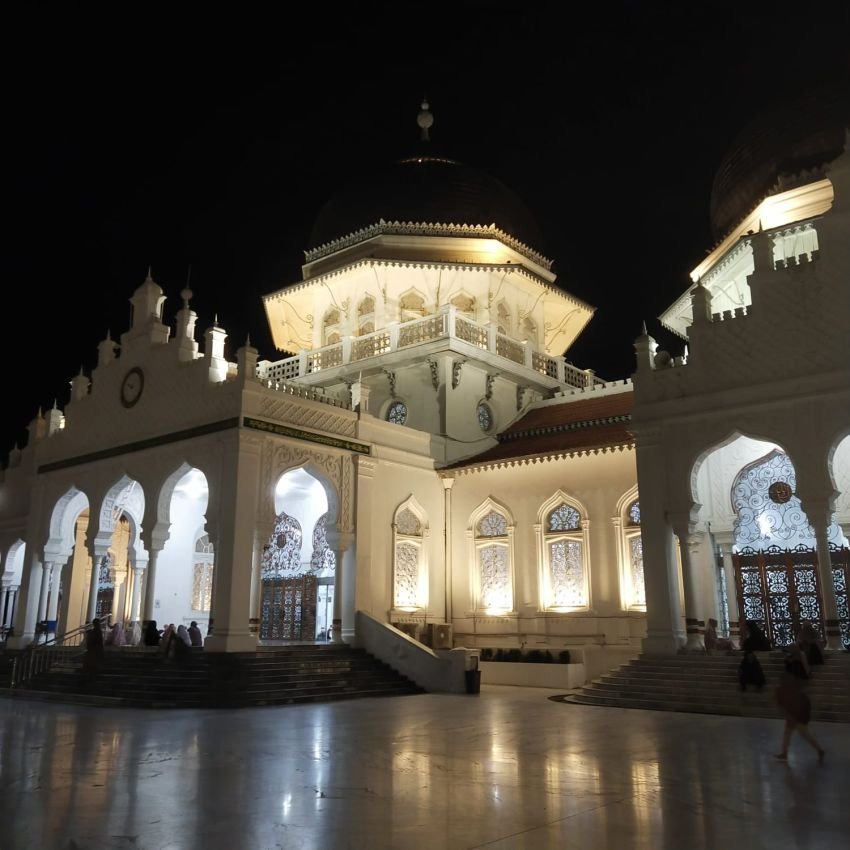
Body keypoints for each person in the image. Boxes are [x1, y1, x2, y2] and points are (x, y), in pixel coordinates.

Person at [774, 668, 825, 763]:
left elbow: (800, 704)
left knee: (803, 735)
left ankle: (819, 750)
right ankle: (785, 752)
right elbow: (781, 704)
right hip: (794, 717)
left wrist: (794, 717)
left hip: (798, 717)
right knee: (792, 734)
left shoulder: (790, 690)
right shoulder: (784, 690)